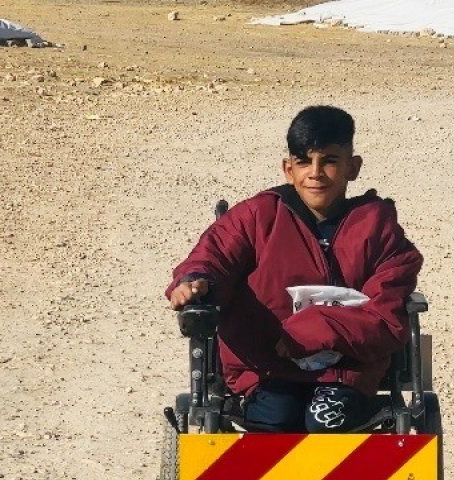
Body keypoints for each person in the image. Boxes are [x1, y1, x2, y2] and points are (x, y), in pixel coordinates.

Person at [165, 105, 423, 433]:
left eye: (329, 160)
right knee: (275, 419)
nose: (315, 172)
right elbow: (214, 256)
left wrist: (313, 328)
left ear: (352, 167)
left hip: (347, 370)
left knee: (325, 421)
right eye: (303, 161)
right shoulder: (258, 216)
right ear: (288, 169)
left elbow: (386, 318)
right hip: (267, 368)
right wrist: (194, 281)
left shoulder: (379, 229)